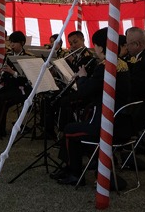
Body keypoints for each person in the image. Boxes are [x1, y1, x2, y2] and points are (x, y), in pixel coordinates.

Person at [52, 27, 132, 187]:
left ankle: (74, 172)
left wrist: (82, 78)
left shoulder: (105, 68)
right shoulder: (122, 65)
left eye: (95, 45)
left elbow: (86, 92)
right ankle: (83, 164)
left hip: (106, 126)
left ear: (101, 47)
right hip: (122, 123)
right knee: (76, 122)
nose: (94, 48)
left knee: (70, 129)